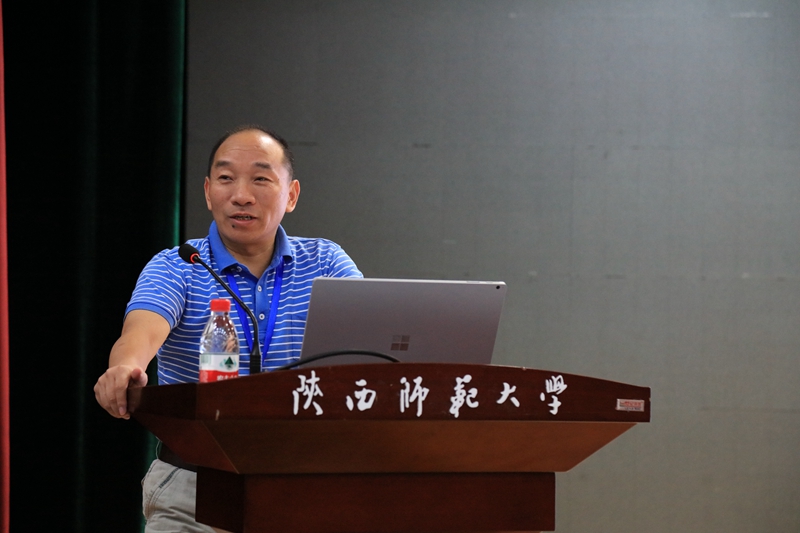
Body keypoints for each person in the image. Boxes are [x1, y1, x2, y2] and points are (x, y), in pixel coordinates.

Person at [94, 125, 363, 532]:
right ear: (208, 192)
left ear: (291, 195)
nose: (241, 195)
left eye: (260, 179)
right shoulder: (178, 265)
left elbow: (372, 338)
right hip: (194, 486)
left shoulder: (325, 262)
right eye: (225, 178)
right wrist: (124, 368)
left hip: (305, 483)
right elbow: (139, 335)